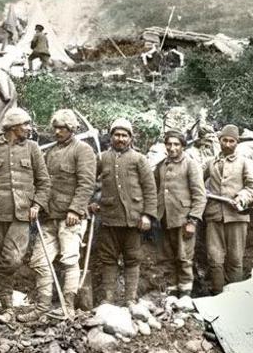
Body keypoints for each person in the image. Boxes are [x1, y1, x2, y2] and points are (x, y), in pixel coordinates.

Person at [0, 107, 51, 324]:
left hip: (22, 213)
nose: (29, 128)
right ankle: (8, 310)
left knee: (13, 259)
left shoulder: (33, 148)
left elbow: (44, 182)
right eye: (25, 124)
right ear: (13, 127)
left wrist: (37, 204)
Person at [17, 109, 96, 322]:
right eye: (56, 128)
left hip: (71, 217)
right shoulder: (50, 153)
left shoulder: (83, 150)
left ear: (72, 129)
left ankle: (67, 307)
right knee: (39, 261)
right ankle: (42, 306)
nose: (58, 132)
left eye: (63, 128)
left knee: (70, 260)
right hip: (49, 216)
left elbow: (86, 184)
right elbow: (42, 183)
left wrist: (75, 209)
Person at [91, 118, 157, 306]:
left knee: (132, 259)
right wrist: (92, 203)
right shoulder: (102, 158)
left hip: (133, 220)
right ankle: (108, 298)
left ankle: (130, 299)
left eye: (124, 135)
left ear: (130, 138)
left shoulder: (139, 159)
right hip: (109, 219)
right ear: (111, 137)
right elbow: (89, 182)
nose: (120, 139)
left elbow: (150, 189)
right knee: (108, 259)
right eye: (117, 135)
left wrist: (147, 215)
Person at [203, 124, 253, 294]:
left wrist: (241, 197)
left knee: (235, 258)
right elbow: (197, 182)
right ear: (219, 141)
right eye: (224, 140)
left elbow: (252, 187)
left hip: (236, 216)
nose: (227, 144)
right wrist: (202, 191)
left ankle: (235, 297)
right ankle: (218, 295)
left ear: (237, 143)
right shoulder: (210, 163)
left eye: (231, 141)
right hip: (214, 216)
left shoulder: (244, 163)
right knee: (214, 258)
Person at [154, 129, 206, 297]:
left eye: (176, 144)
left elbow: (200, 195)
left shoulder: (190, 164)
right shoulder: (161, 165)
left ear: (183, 146)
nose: (172, 147)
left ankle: (185, 295)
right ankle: (170, 292)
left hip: (184, 219)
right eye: (169, 144)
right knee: (167, 256)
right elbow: (155, 190)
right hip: (165, 219)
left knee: (184, 258)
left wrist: (193, 220)